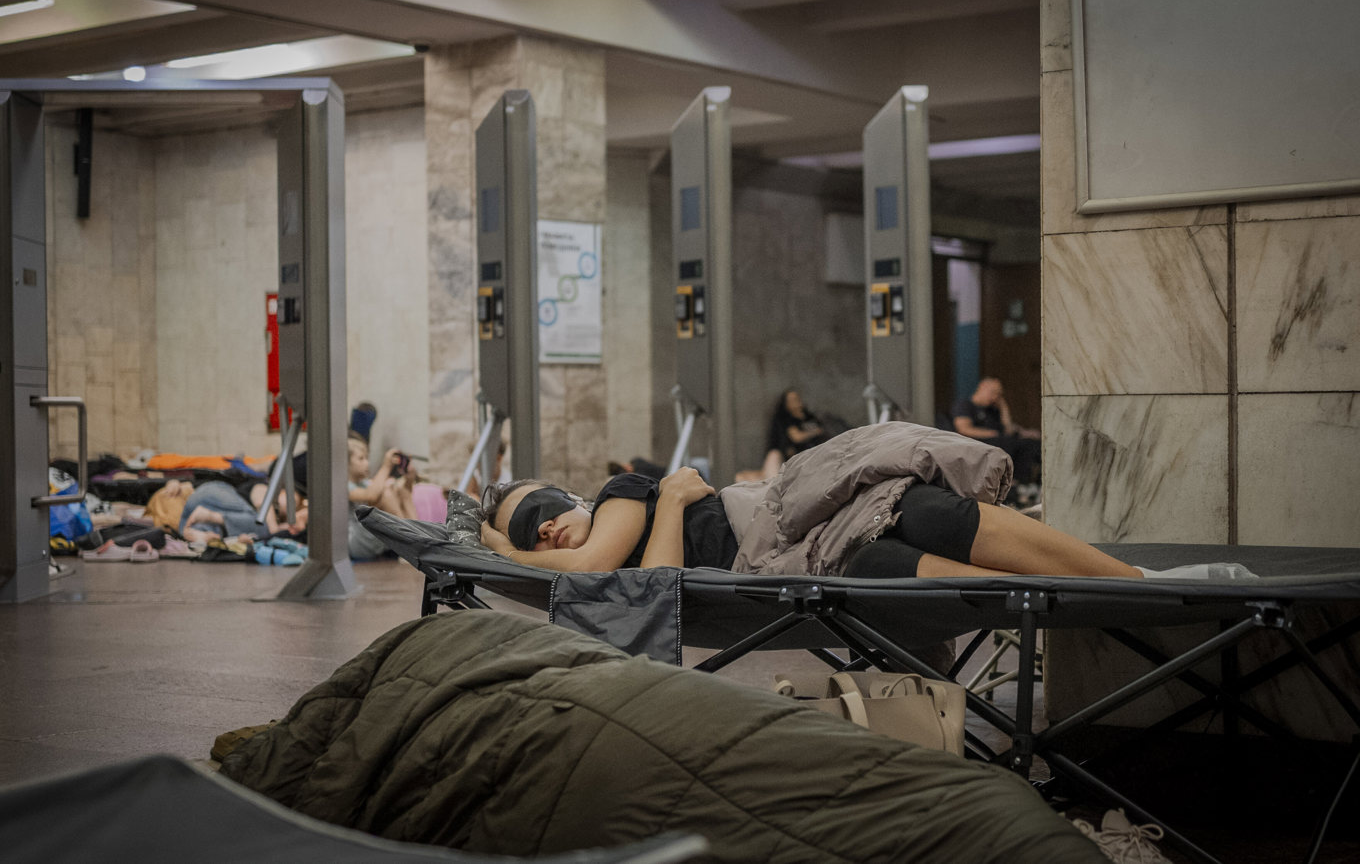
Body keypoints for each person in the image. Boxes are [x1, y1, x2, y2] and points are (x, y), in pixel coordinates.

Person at [456, 422, 1217, 581]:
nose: (546, 527)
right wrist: (673, 508)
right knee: (889, 560)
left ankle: (1135, 584)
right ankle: (1056, 598)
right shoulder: (652, 514)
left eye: (542, 508)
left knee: (923, 510)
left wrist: (498, 548)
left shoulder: (620, 493)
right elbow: (656, 582)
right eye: (529, 527)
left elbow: (589, 564)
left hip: (783, 517)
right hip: (797, 557)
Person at [952, 377, 1042, 487]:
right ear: (982, 388)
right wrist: (992, 434)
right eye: (993, 393)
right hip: (980, 443)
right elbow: (964, 429)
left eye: (999, 395)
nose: (995, 397)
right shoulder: (966, 405)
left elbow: (1008, 430)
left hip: (1003, 441)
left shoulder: (992, 409)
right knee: (1008, 444)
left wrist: (1004, 408)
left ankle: (1023, 483)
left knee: (1030, 444)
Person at [347, 435, 418, 560]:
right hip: (355, 543)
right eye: (361, 459)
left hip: (371, 539)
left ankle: (417, 541)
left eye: (367, 458)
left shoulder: (363, 483)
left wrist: (408, 479)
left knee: (399, 490)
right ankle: (412, 544)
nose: (366, 463)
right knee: (385, 493)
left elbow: (377, 490)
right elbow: (371, 495)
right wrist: (386, 466)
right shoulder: (342, 486)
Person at [177, 478, 307, 544]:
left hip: (188, 520)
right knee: (261, 527)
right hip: (213, 494)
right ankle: (211, 517)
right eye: (291, 500)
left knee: (241, 533)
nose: (290, 507)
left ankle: (201, 534)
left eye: (294, 506)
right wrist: (275, 530)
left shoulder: (269, 519)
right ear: (282, 490)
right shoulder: (263, 487)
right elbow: (262, 504)